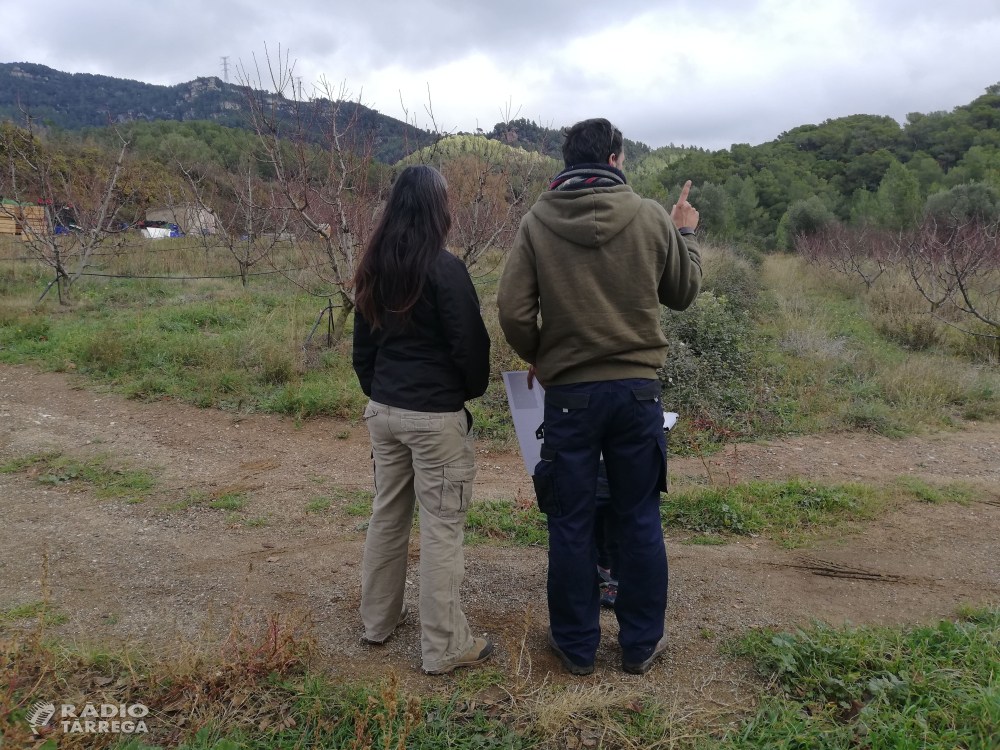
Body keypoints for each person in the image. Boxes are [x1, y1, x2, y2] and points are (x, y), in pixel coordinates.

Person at [497, 118, 702, 675]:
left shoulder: (538, 221)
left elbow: (513, 312)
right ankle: (639, 646)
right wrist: (684, 231)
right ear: (615, 159)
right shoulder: (650, 216)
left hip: (569, 399)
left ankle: (576, 647)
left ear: (567, 162)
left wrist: (543, 355)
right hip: (638, 394)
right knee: (639, 517)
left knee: (569, 520)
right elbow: (683, 293)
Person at [352, 165, 494, 675]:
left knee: (387, 515)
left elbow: (362, 347)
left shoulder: (374, 264)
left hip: (384, 413)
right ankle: (443, 646)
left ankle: (377, 622)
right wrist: (463, 395)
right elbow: (471, 347)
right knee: (441, 527)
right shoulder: (445, 268)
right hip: (435, 419)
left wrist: (382, 395)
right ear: (438, 208)